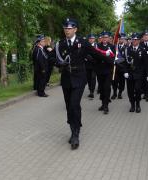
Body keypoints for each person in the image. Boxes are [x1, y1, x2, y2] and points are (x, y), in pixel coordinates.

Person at [54, 18, 113, 150]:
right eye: (65, 28)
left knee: (75, 104)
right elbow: (53, 57)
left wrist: (110, 60)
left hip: (79, 77)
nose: (67, 30)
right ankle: (73, 127)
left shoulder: (83, 42)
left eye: (69, 28)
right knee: (69, 106)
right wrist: (59, 63)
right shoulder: (61, 43)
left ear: (75, 29)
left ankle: (75, 134)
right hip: (66, 78)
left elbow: (96, 53)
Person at [122, 33, 146, 113]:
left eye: (136, 40)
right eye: (133, 39)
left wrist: (143, 73)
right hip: (129, 73)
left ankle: (138, 104)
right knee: (130, 90)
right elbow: (124, 62)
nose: (134, 41)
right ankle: (132, 104)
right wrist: (125, 72)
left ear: (139, 40)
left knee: (138, 89)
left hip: (138, 74)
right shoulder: (127, 49)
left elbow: (144, 63)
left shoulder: (142, 50)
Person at [95, 31, 116, 114]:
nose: (104, 39)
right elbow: (96, 57)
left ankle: (106, 105)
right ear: (101, 38)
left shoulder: (112, 47)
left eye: (106, 37)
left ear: (109, 38)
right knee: (101, 88)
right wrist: (104, 56)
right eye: (103, 37)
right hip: (100, 70)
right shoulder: (98, 46)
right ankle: (103, 104)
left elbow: (113, 58)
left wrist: (104, 57)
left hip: (108, 71)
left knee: (107, 88)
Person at [111, 33, 127, 100]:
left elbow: (126, 58)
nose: (121, 40)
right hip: (115, 68)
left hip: (123, 68)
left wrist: (118, 60)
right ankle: (114, 93)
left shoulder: (127, 48)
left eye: (122, 39)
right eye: (120, 39)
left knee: (122, 82)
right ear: (118, 39)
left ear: (124, 39)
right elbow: (112, 56)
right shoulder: (114, 47)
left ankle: (120, 93)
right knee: (114, 81)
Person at [85, 34, 97, 99]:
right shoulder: (86, 46)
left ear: (94, 39)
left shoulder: (96, 46)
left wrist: (94, 59)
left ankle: (92, 91)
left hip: (94, 65)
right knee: (89, 78)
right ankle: (90, 89)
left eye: (92, 39)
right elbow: (83, 53)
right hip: (87, 65)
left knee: (93, 77)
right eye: (90, 39)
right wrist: (86, 57)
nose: (91, 40)